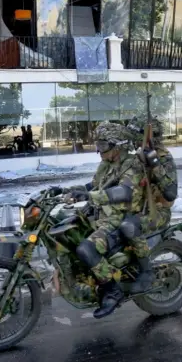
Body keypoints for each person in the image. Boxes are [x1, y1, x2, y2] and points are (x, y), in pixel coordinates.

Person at [67, 121, 147, 319]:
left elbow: (124, 192)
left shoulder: (132, 164)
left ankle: (112, 289)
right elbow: (93, 185)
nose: (98, 150)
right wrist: (68, 190)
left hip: (120, 218)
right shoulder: (107, 165)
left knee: (86, 249)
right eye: (98, 145)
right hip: (101, 215)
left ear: (118, 145)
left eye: (103, 145)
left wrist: (91, 197)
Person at [119, 115, 179, 293]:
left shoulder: (163, 158)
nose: (132, 139)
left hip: (158, 213)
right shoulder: (137, 156)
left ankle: (146, 273)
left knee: (128, 226)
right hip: (139, 209)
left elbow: (170, 193)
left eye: (135, 135)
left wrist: (154, 162)